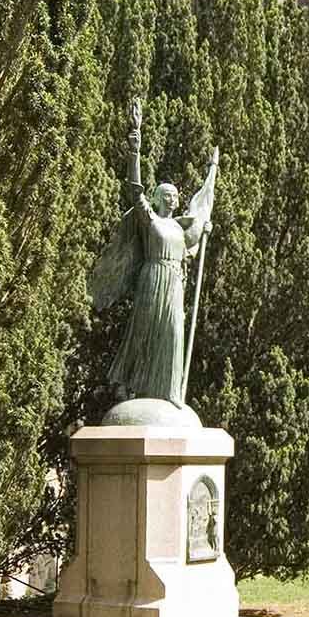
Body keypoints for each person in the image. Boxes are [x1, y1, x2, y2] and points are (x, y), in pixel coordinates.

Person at [88, 101, 217, 408]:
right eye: (167, 194)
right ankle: (124, 383)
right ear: (158, 198)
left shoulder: (180, 229)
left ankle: (170, 390)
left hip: (174, 282)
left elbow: (192, 247)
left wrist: (205, 227)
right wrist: (135, 144)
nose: (172, 198)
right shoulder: (151, 221)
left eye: (175, 195)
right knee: (143, 331)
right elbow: (135, 190)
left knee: (173, 332)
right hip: (152, 277)